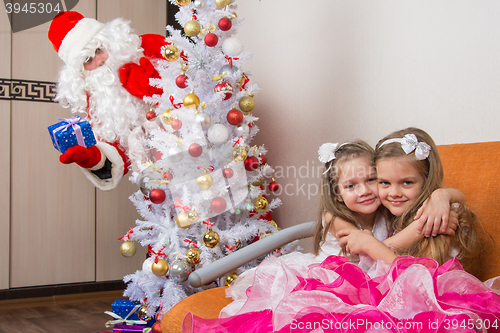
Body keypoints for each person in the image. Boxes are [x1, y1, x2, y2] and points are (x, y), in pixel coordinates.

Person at [182, 133, 500, 332]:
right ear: (337, 192)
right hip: (326, 280)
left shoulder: (392, 212)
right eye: (351, 185)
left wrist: (442, 195)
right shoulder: (335, 218)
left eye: (373, 180)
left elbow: (388, 248)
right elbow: (376, 251)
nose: (367, 191)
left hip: (372, 282)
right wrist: (374, 240)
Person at [338, 127, 486, 276]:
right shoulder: (389, 214)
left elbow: (418, 281)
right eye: (384, 182)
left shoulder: (437, 216)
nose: (394, 193)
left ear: (427, 180)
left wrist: (370, 245)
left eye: (407, 183)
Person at [48, 11, 168, 190]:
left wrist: (156, 87)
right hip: (159, 180)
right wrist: (93, 159)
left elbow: (198, 70)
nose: (99, 61)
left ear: (111, 41)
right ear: (80, 71)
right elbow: (117, 149)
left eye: (99, 50)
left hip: (201, 142)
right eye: (88, 60)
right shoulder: (98, 101)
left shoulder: (148, 46)